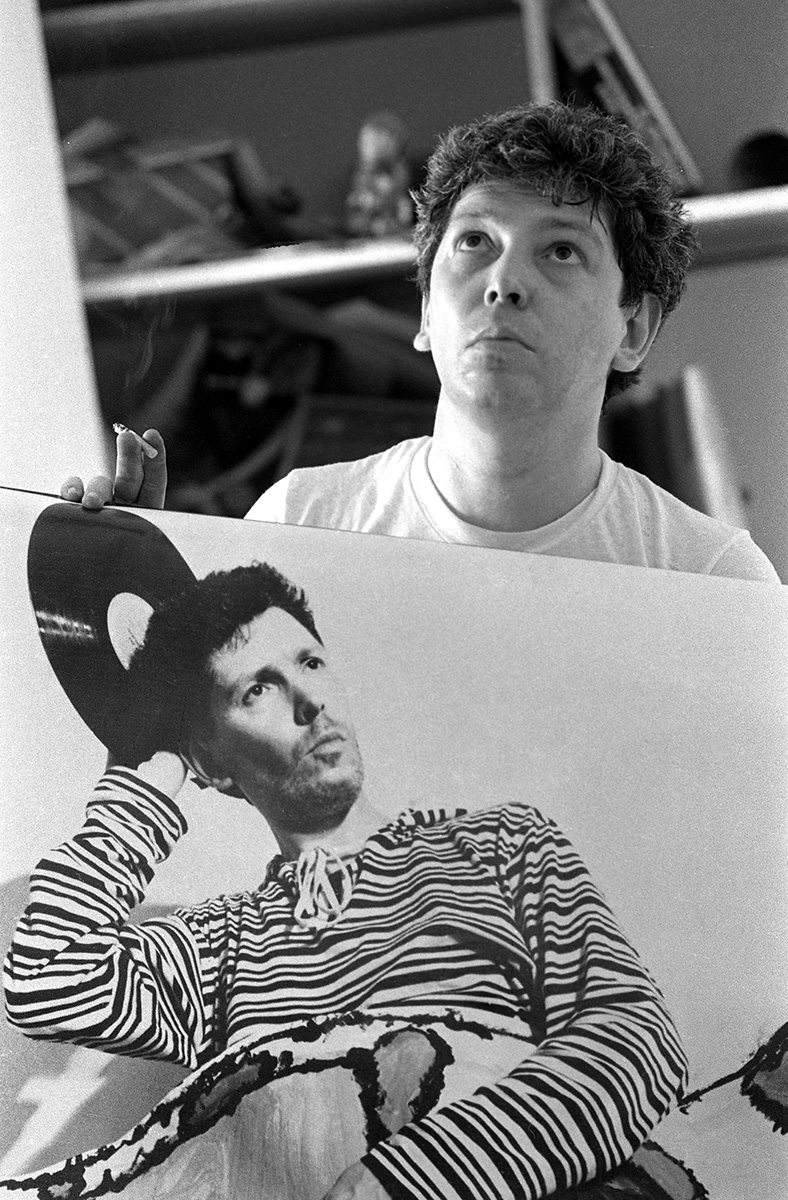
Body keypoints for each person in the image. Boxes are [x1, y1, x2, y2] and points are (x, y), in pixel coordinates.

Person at [5, 560, 688, 1200]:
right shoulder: (222, 943)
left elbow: (633, 1037)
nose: (309, 700)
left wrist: (406, 1180)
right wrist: (147, 776)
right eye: (258, 689)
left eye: (311, 662)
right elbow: (45, 980)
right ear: (209, 762)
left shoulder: (499, 842)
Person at [61, 103, 779, 583]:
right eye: (475, 242)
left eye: (561, 251)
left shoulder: (713, 581)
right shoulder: (297, 527)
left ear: (634, 328)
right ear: (428, 308)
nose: (504, 283)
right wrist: (144, 606)